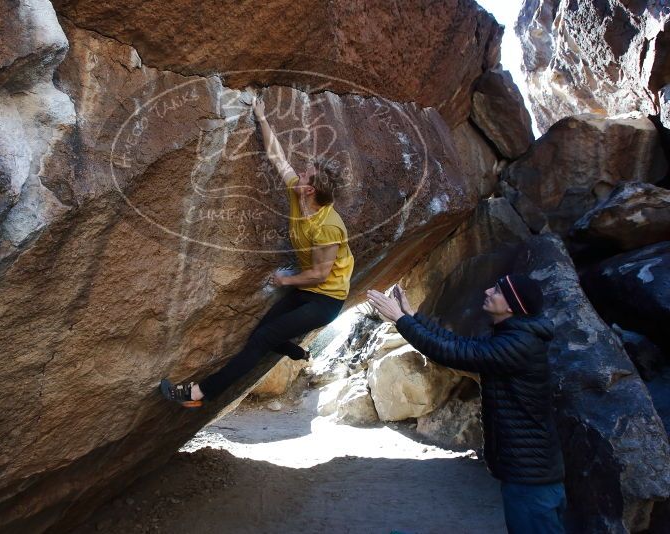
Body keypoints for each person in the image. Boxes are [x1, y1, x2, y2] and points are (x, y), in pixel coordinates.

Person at [160, 96, 354, 408]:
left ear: (311, 190)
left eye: (306, 175)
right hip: (308, 288)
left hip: (325, 298)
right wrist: (262, 118)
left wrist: (284, 281)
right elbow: (278, 158)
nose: (300, 173)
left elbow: (320, 273)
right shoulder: (298, 193)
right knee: (263, 331)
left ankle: (197, 394)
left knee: (262, 340)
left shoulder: (328, 226)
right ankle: (297, 352)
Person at [367, 275, 566, 534]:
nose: (487, 290)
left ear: (510, 306)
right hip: (531, 471)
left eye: (497, 290)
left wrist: (400, 320)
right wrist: (413, 315)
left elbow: (454, 353)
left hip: (532, 477)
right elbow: (461, 343)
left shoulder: (519, 345)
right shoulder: (515, 335)